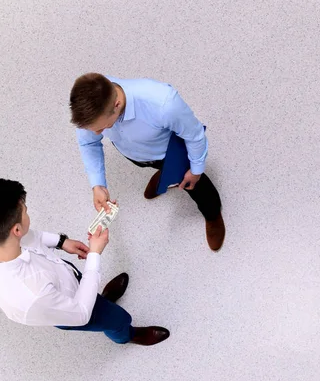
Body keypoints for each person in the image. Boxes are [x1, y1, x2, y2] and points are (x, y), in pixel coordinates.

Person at [0, 179, 169, 346]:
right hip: (67, 308)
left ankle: (101, 298)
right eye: (25, 211)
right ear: (16, 230)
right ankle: (126, 335)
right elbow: (81, 313)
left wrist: (61, 242)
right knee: (116, 319)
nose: (28, 213)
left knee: (87, 289)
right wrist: (95, 254)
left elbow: (30, 237)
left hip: (64, 279)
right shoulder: (33, 294)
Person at [70, 74, 226, 251]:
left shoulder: (164, 104)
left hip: (169, 153)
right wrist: (97, 184)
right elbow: (88, 142)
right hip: (137, 154)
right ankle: (164, 176)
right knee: (156, 167)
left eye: (103, 128)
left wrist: (196, 170)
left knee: (196, 186)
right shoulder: (93, 108)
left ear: (116, 105)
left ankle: (212, 213)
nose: (97, 134)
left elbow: (195, 136)